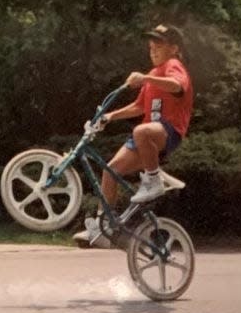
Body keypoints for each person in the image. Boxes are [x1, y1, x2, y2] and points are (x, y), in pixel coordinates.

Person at [73, 24, 193, 247]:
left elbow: (177, 86)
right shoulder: (153, 74)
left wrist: (146, 79)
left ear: (174, 48)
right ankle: (104, 227)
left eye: (159, 44)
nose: (153, 49)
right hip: (147, 136)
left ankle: (153, 179)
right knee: (110, 170)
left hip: (168, 131)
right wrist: (108, 116)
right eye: (151, 45)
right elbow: (138, 107)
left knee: (141, 130)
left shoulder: (173, 65)